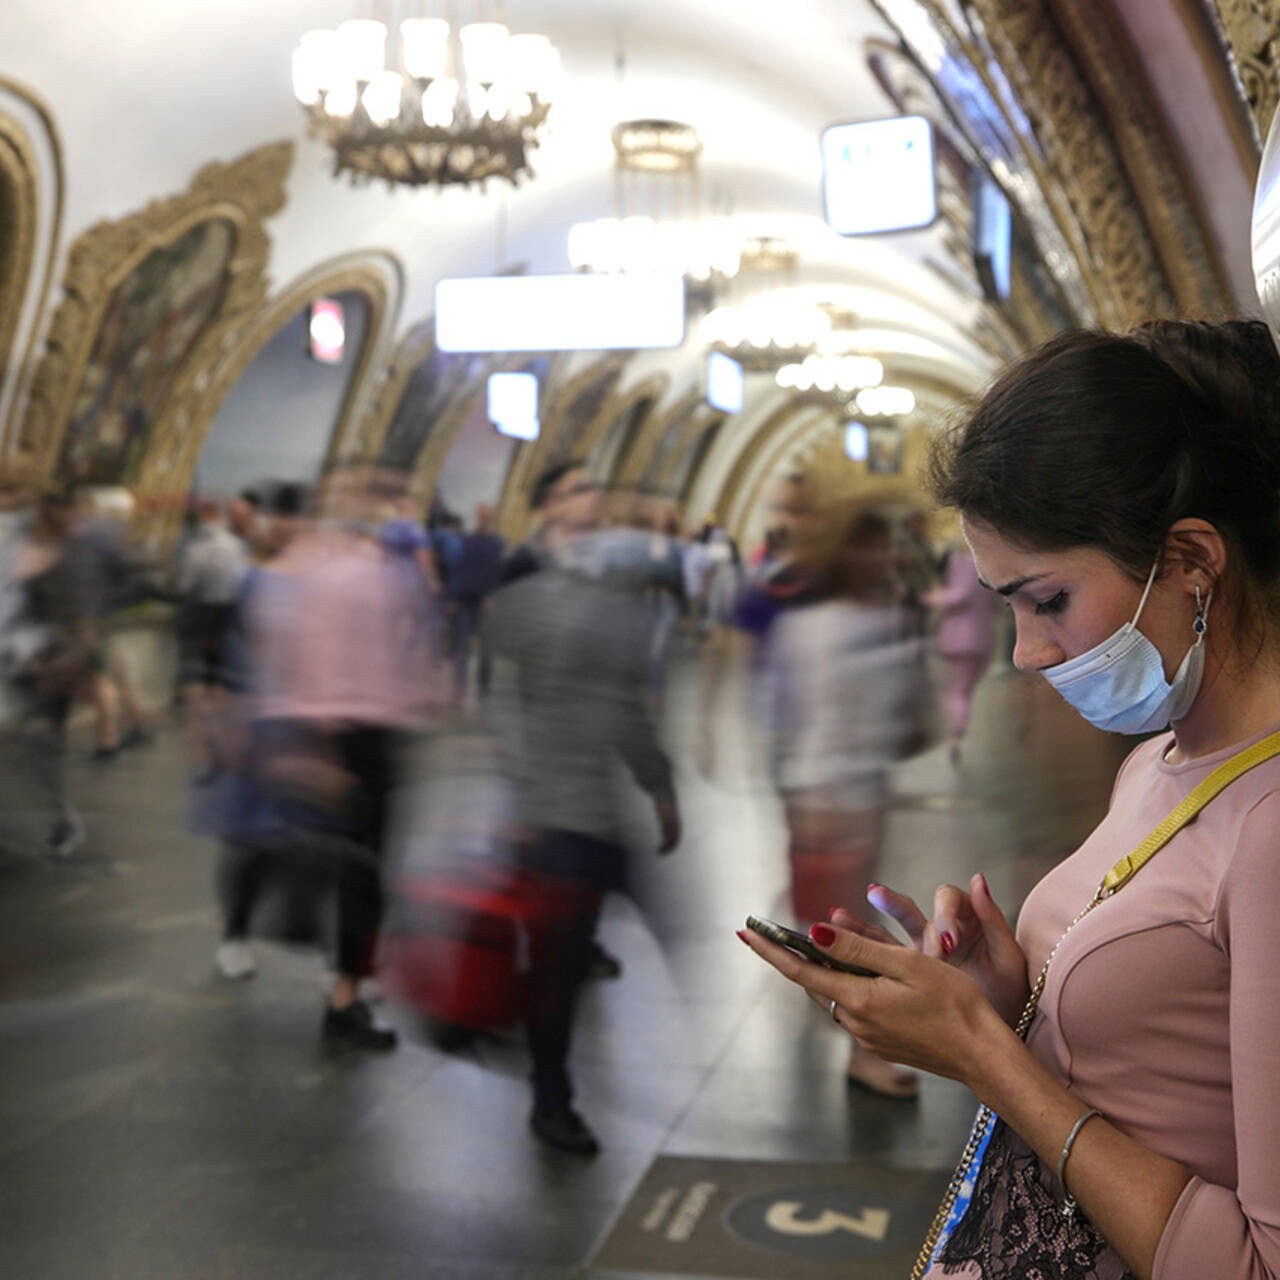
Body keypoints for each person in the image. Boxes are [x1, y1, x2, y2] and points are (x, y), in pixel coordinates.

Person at [739, 319, 1280, 1279]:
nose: (1027, 653)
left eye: (1049, 601)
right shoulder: (1159, 759)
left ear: (1193, 560)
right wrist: (1005, 994)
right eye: (1008, 608)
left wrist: (985, 1052)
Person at [489, 459, 681, 1156]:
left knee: (578, 951)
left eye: (596, 489)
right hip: (548, 810)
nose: (593, 500)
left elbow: (626, 705)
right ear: (545, 509)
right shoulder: (522, 589)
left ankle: (548, 1070)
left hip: (594, 808)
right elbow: (497, 700)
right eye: (574, 491)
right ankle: (549, 1097)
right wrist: (513, 794)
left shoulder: (612, 594)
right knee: (554, 967)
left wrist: (658, 785)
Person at [765, 499, 928, 1098]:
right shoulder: (847, 627)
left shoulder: (861, 624)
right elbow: (787, 717)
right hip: (833, 794)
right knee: (849, 933)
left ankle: (846, 1025)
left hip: (843, 792)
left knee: (842, 925)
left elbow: (904, 722)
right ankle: (863, 1051)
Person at [924, 539, 1000, 763]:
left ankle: (955, 732)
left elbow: (959, 596)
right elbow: (995, 605)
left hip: (959, 636)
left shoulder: (961, 562)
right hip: (983, 636)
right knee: (964, 688)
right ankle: (956, 730)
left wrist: (930, 598)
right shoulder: (989, 565)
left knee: (958, 689)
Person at [447, 503, 505, 701]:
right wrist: (453, 597)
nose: (481, 518)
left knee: (486, 646)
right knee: (462, 645)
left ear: (490, 517)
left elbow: (497, 572)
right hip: (464, 598)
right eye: (479, 515)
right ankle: (458, 689)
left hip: (485, 600)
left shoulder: (497, 543)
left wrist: (493, 595)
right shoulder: (467, 541)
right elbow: (459, 568)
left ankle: (483, 690)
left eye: (485, 515)